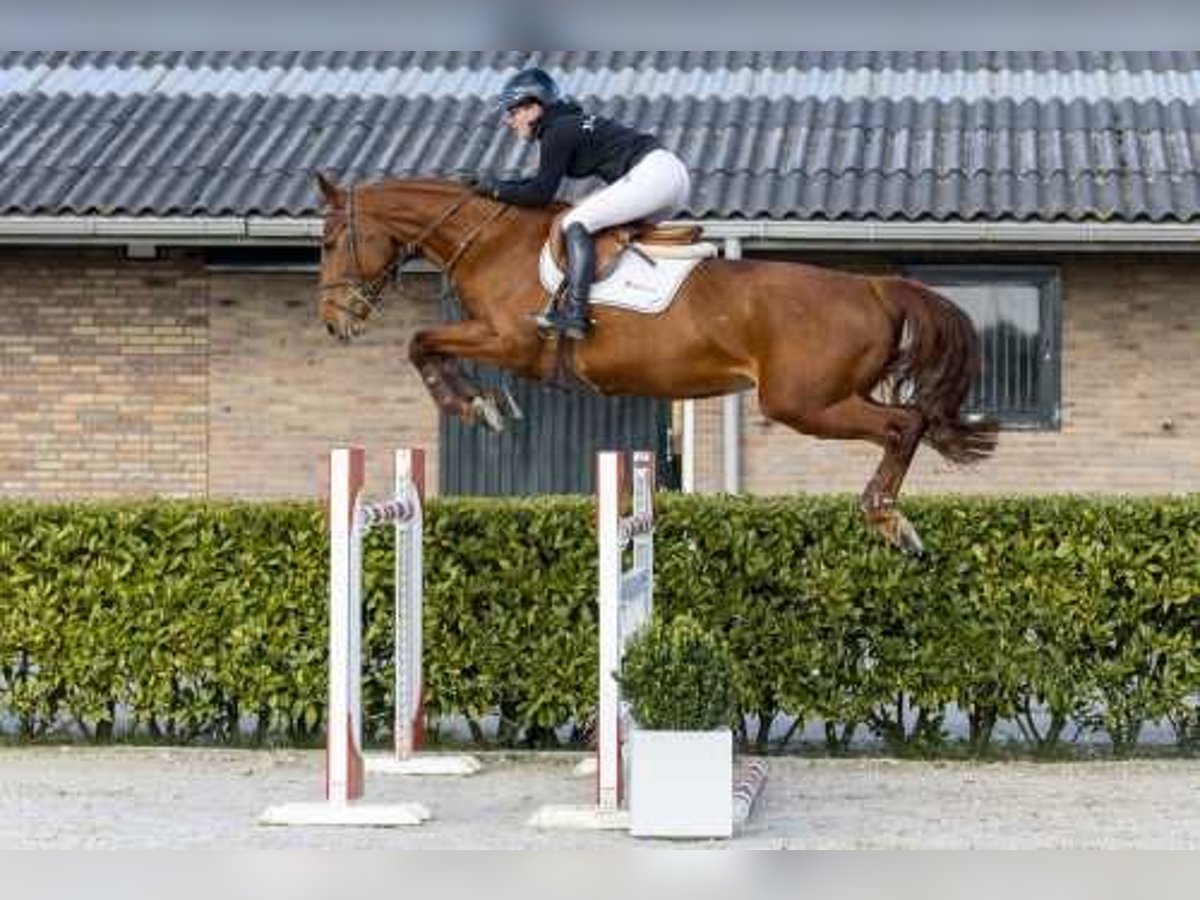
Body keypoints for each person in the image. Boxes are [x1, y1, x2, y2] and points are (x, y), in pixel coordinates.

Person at [465, 67, 692, 340]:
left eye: (513, 112)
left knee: (575, 221)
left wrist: (493, 190)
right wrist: (496, 186)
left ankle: (575, 313)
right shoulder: (566, 124)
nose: (509, 121)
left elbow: (540, 194)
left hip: (654, 176)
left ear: (534, 107)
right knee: (604, 229)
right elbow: (537, 181)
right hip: (670, 176)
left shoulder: (557, 131)